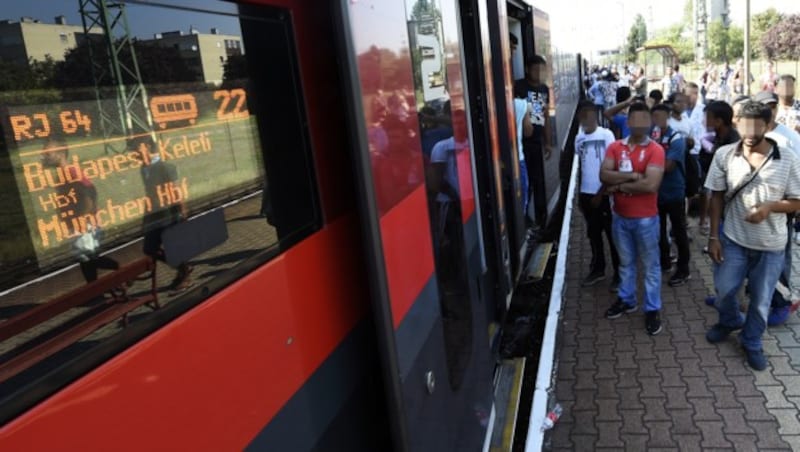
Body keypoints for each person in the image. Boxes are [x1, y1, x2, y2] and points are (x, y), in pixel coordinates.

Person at [705, 101, 800, 371]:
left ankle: (752, 341)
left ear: (768, 126)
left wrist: (770, 207)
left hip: (771, 246)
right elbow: (717, 196)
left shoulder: (788, 158)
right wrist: (714, 237)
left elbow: (797, 200)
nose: (750, 130)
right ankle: (729, 320)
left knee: (761, 302)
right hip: (733, 239)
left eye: (758, 124)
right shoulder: (724, 154)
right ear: (737, 124)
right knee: (724, 291)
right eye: (745, 124)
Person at [600, 102, 666, 335]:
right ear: (628, 122)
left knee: (650, 266)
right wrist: (633, 176)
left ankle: (652, 308)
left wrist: (618, 186)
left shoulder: (656, 150)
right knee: (626, 264)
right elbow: (603, 175)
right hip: (621, 218)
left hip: (646, 219)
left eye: (643, 120)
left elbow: (651, 184)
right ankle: (627, 300)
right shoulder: (615, 147)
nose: (639, 124)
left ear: (649, 123)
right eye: (634, 120)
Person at [41, 136, 119, 283]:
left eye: (48, 154)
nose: (43, 157)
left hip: (83, 224)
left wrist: (82, 219)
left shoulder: (71, 172)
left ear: (61, 153)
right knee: (85, 257)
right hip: (76, 223)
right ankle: (95, 289)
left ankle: (118, 271)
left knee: (86, 257)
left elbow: (90, 193)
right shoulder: (63, 174)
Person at [755, 90, 800, 326]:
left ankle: (784, 300)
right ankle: (759, 296)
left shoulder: (789, 136)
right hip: (755, 207)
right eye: (765, 105)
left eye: (773, 105)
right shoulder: (751, 134)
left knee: (781, 256)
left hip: (783, 208)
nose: (770, 109)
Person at [134, 134, 193, 293]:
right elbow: (149, 192)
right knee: (149, 248)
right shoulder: (143, 168)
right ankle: (183, 268)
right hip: (154, 215)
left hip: (168, 214)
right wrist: (145, 217)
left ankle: (185, 275)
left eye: (137, 148)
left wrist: (182, 212)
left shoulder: (165, 167)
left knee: (173, 246)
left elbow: (176, 191)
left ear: (147, 148)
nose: (134, 152)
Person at [574, 100, 620, 290]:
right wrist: (580, 194)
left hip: (602, 194)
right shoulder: (579, 139)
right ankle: (598, 268)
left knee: (612, 235)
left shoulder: (606, 135)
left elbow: (612, 165)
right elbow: (583, 167)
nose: (587, 118)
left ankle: (619, 273)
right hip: (586, 195)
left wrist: (601, 193)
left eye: (590, 114)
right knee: (593, 234)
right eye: (583, 115)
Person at [652, 104, 691, 286]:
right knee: (658, 231)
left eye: (661, 116)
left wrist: (647, 166)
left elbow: (668, 167)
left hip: (674, 192)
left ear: (667, 117)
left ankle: (684, 269)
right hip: (656, 193)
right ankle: (664, 261)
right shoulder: (651, 136)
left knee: (679, 232)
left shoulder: (676, 138)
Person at [514, 55, 553, 228]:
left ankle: (541, 218)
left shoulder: (544, 89)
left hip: (536, 141)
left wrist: (548, 142)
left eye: (541, 69)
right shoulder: (518, 87)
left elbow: (544, 116)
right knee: (526, 182)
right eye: (536, 69)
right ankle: (523, 217)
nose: (539, 73)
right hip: (521, 143)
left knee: (538, 181)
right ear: (527, 70)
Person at [698, 101, 740, 237]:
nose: (704, 121)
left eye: (708, 118)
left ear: (718, 121)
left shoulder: (734, 143)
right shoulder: (718, 137)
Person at [513, 95, 534, 219]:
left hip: (496, 161)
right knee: (522, 196)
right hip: (518, 157)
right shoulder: (521, 104)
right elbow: (528, 131)